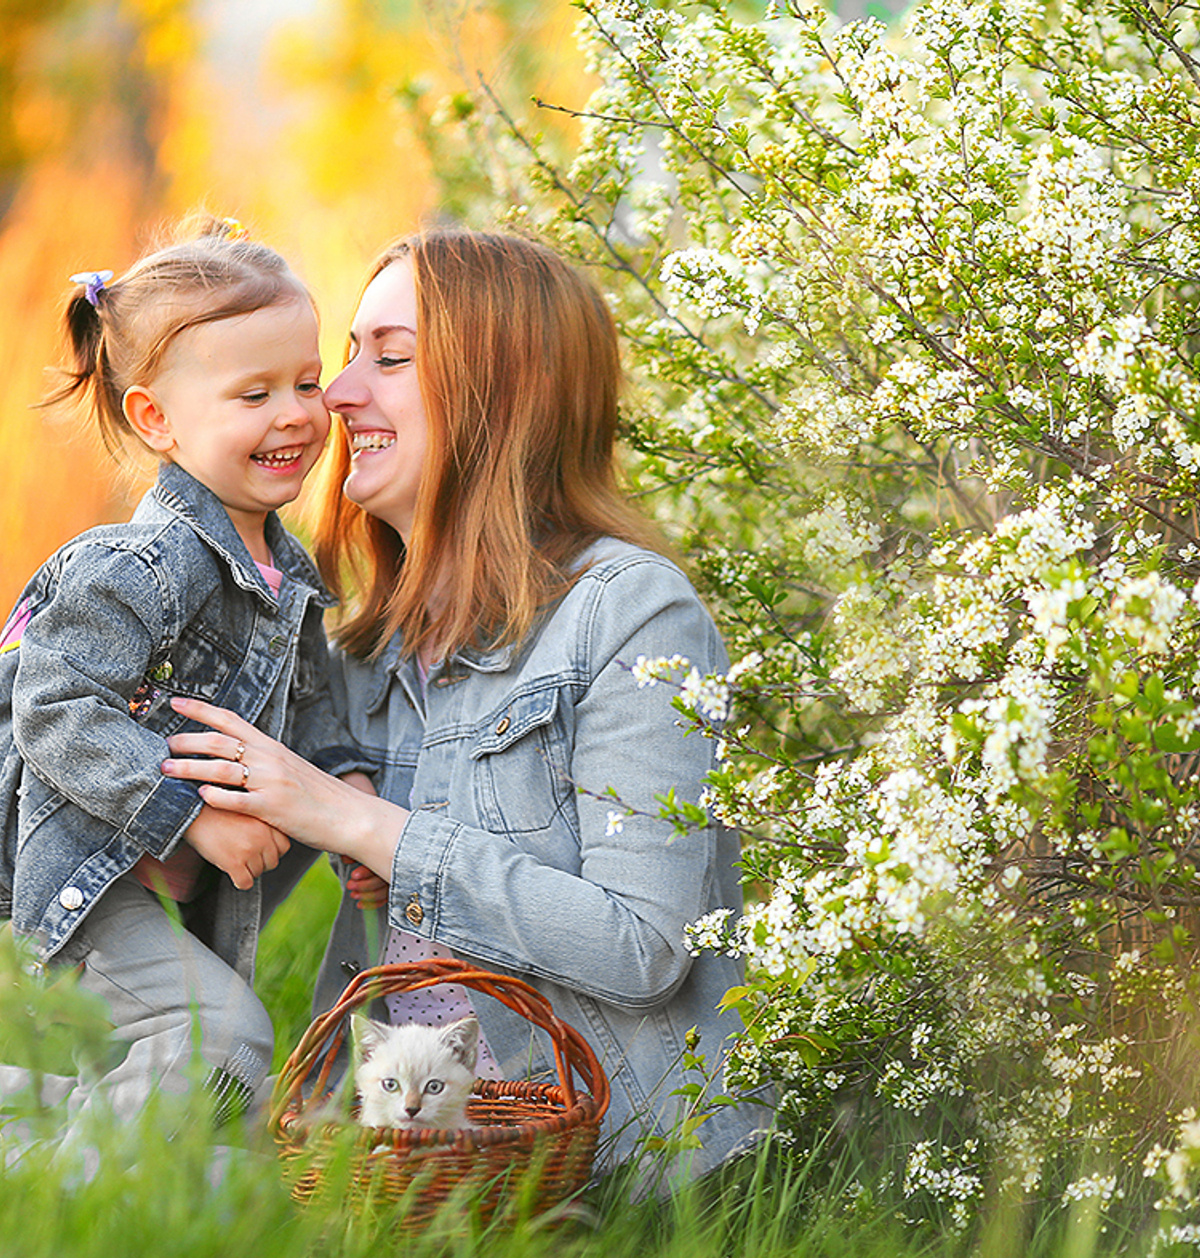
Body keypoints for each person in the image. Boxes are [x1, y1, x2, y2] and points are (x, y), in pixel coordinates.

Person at [161, 228, 763, 1180]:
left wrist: (359, 822)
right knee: (43, 1130)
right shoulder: (363, 644)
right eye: (348, 358)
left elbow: (643, 945)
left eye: (388, 358)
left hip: (602, 1171)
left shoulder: (634, 614)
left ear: (502, 396)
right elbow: (213, 893)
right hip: (393, 1166)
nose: (339, 395)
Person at [0, 217, 371, 1130]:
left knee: (199, 1064)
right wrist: (194, 814)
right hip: (67, 876)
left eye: (305, 380)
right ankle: (52, 1176)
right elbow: (47, 709)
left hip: (130, 881)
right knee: (223, 1044)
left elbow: (316, 712)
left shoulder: (288, 574)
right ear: (156, 419)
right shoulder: (136, 566)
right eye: (253, 394)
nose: (295, 413)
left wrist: (353, 805)